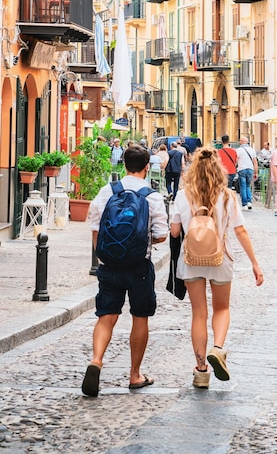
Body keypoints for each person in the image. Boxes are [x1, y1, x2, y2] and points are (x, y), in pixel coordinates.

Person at [170, 146, 264, 388]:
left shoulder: (182, 195)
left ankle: (201, 370)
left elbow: (174, 231)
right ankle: (218, 349)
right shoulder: (227, 196)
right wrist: (255, 263)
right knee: (221, 308)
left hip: (191, 261)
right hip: (221, 259)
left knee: (198, 314)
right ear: (218, 170)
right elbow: (240, 230)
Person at [81, 145, 168, 397]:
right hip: (139, 266)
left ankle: (96, 360)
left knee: (106, 315)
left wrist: (104, 254)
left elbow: (94, 226)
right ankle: (135, 374)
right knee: (140, 317)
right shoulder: (151, 196)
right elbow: (161, 235)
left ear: (124, 165)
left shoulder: (108, 191)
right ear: (145, 167)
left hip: (109, 265)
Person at [236, 136, 258, 210]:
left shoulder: (238, 150)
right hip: (250, 169)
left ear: (242, 141)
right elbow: (255, 162)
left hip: (242, 169)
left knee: (243, 186)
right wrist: (256, 172)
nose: (239, 142)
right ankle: (249, 202)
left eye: (240, 140)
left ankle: (244, 204)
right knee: (248, 186)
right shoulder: (252, 150)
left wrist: (236, 166)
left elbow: (236, 160)